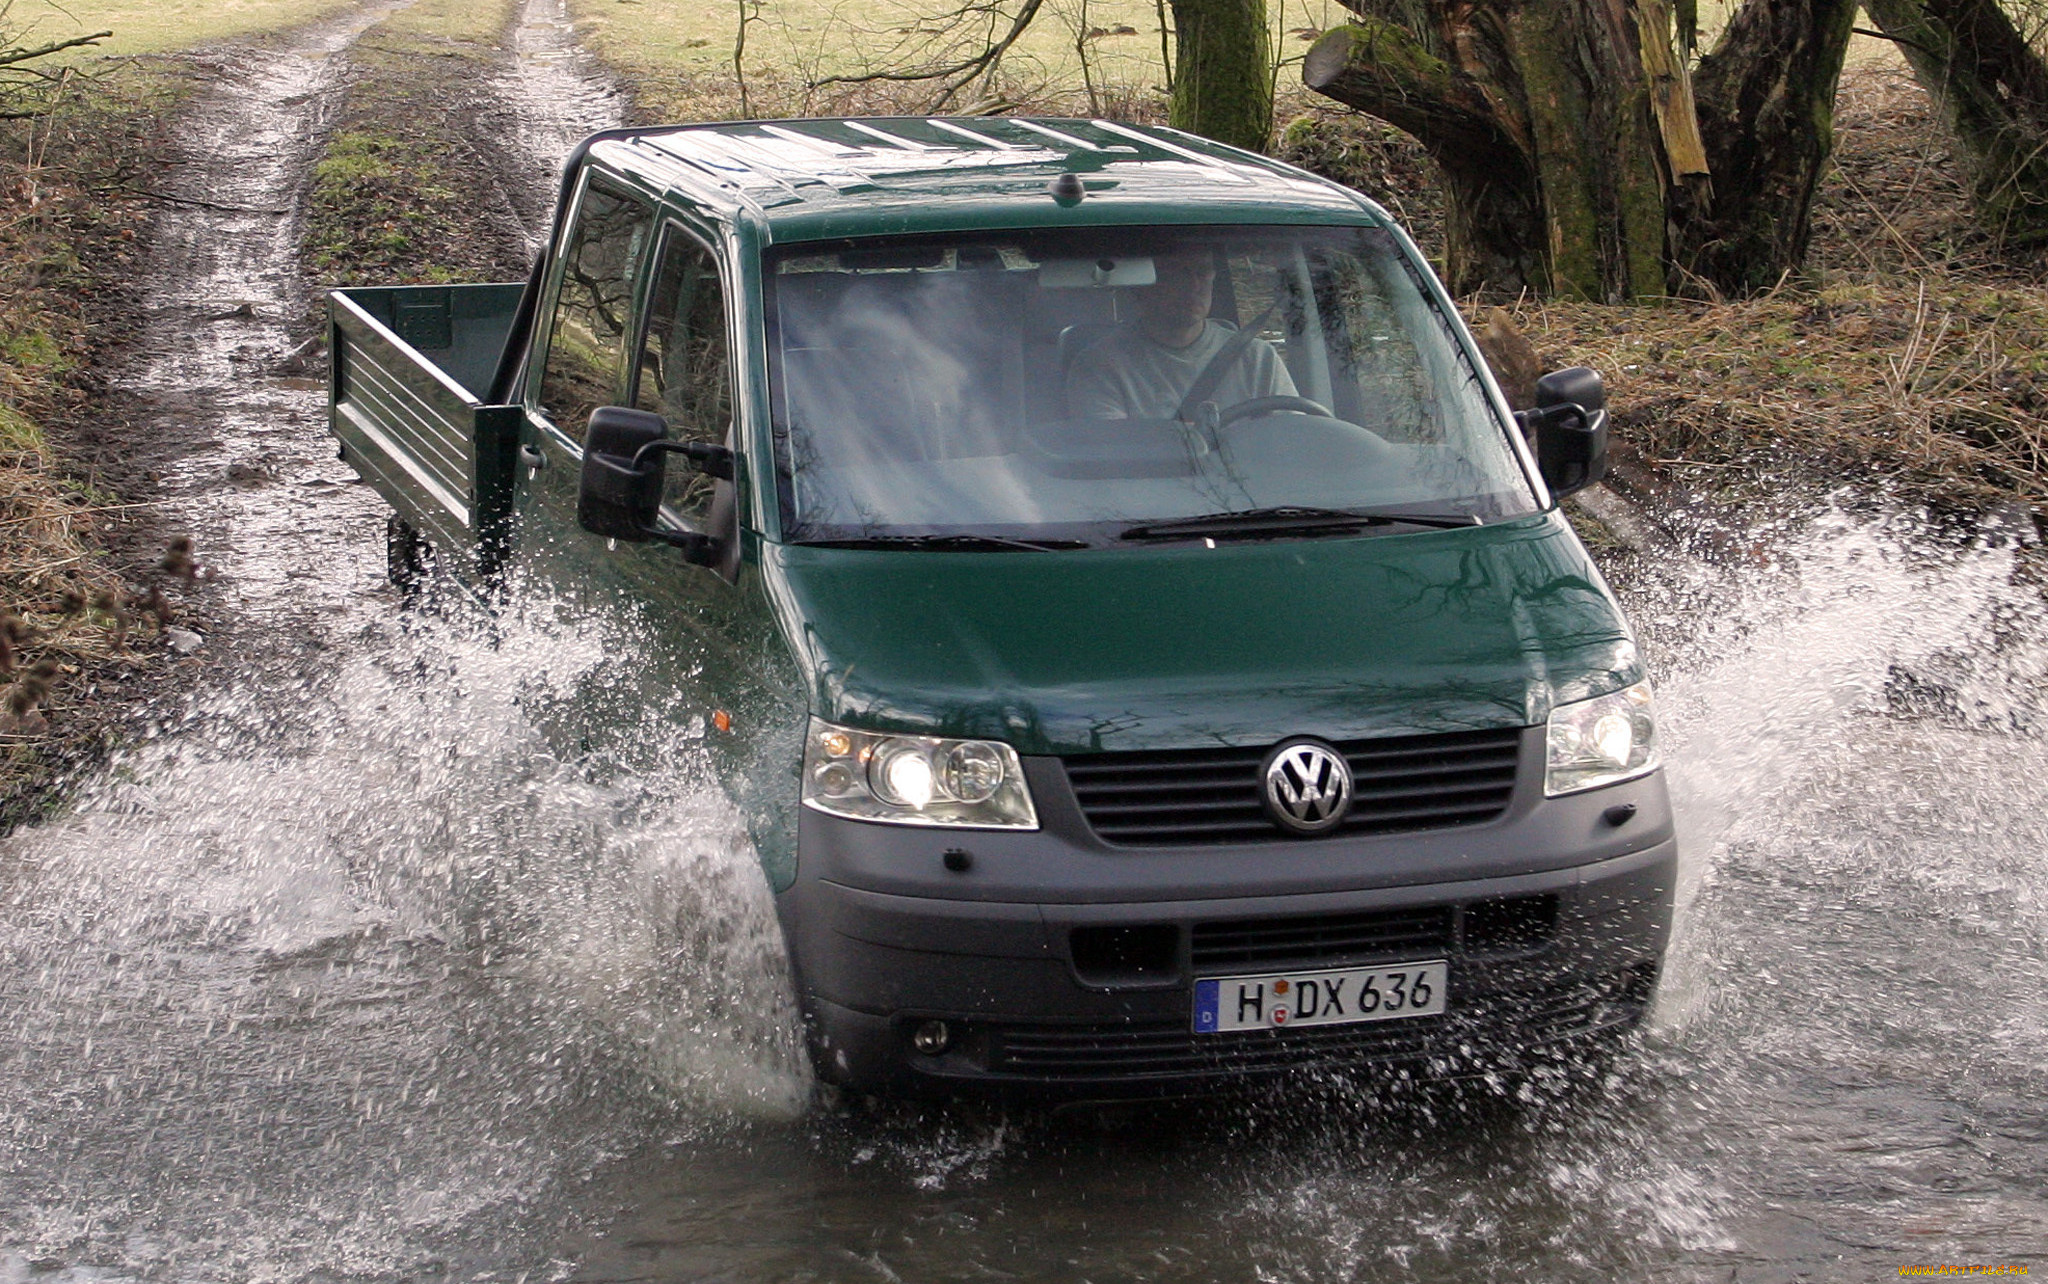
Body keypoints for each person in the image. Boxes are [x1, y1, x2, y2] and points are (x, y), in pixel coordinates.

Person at [1064, 250, 1297, 420]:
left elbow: (1292, 440)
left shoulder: (1256, 358)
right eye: (1179, 273)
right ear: (1143, 286)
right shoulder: (1100, 366)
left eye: (1203, 272)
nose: (1195, 285)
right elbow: (1112, 461)